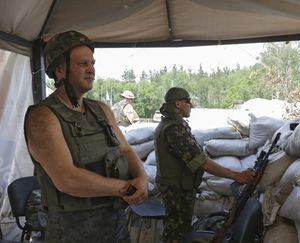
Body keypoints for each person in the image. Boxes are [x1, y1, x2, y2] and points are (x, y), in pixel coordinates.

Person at [24, 30, 148, 242]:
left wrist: (142, 179)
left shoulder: (100, 109)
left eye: (92, 63)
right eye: (83, 64)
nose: (91, 70)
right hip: (73, 231)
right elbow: (67, 179)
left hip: (115, 223)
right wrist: (125, 188)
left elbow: (125, 149)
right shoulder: (43, 117)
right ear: (60, 70)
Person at [154, 87, 255, 243]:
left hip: (178, 187)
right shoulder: (174, 128)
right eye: (188, 101)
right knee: (176, 234)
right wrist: (237, 175)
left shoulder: (174, 124)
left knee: (178, 230)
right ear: (178, 104)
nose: (191, 105)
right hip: (176, 190)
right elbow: (202, 163)